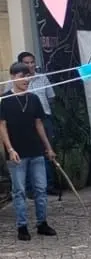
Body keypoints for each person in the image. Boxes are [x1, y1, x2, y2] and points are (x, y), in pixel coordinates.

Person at [1, 62, 57, 241]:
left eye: (27, 76)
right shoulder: (5, 100)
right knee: (20, 191)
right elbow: (2, 126)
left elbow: (39, 124)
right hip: (17, 152)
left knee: (41, 188)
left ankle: (42, 223)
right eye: (21, 76)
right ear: (13, 77)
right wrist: (10, 149)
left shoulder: (33, 99)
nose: (25, 80)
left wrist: (48, 147)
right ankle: (22, 226)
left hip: (36, 150)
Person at [15, 52, 57, 192]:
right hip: (25, 123)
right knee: (28, 154)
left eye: (32, 62)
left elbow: (50, 98)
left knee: (47, 150)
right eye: (26, 63)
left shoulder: (42, 78)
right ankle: (30, 188)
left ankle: (48, 185)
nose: (30, 65)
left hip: (44, 119)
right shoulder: (16, 82)